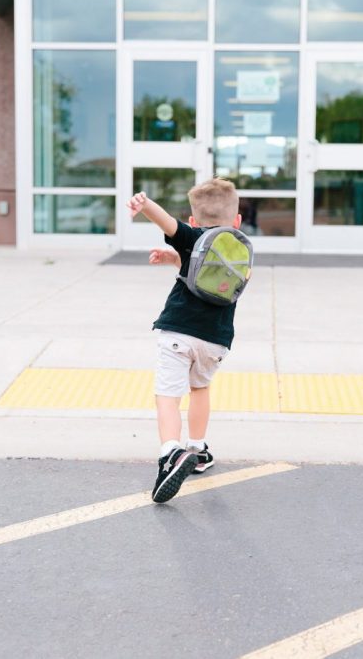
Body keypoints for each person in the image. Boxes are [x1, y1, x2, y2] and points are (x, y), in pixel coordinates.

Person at [126, 178, 245, 504]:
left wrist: (145, 204)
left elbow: (168, 222)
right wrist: (175, 260)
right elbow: (209, 269)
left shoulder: (192, 237)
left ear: (193, 222)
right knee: (200, 389)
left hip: (179, 331)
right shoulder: (241, 248)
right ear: (237, 221)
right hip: (215, 340)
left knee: (167, 395)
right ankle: (197, 447)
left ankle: (170, 453)